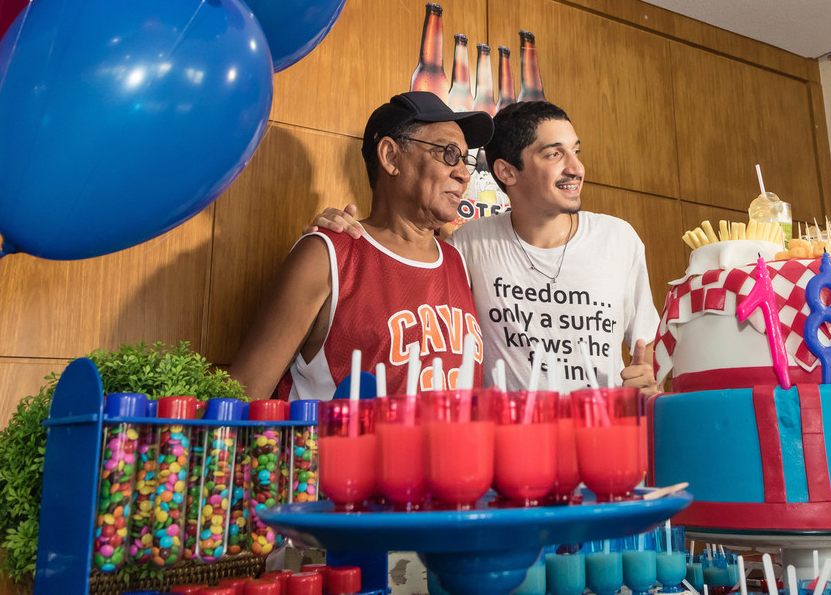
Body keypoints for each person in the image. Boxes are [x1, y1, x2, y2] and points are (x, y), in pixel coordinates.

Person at [311, 100, 661, 395]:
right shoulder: (467, 246)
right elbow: (399, 257)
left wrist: (648, 380)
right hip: (508, 449)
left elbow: (649, 349)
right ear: (506, 172)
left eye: (576, 151)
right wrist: (334, 233)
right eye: (555, 154)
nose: (576, 168)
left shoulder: (619, 239)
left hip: (603, 440)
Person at [229, 91, 494, 400]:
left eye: (465, 159)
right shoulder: (327, 255)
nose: (463, 174)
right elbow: (241, 397)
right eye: (448, 153)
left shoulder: (458, 261)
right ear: (391, 157)